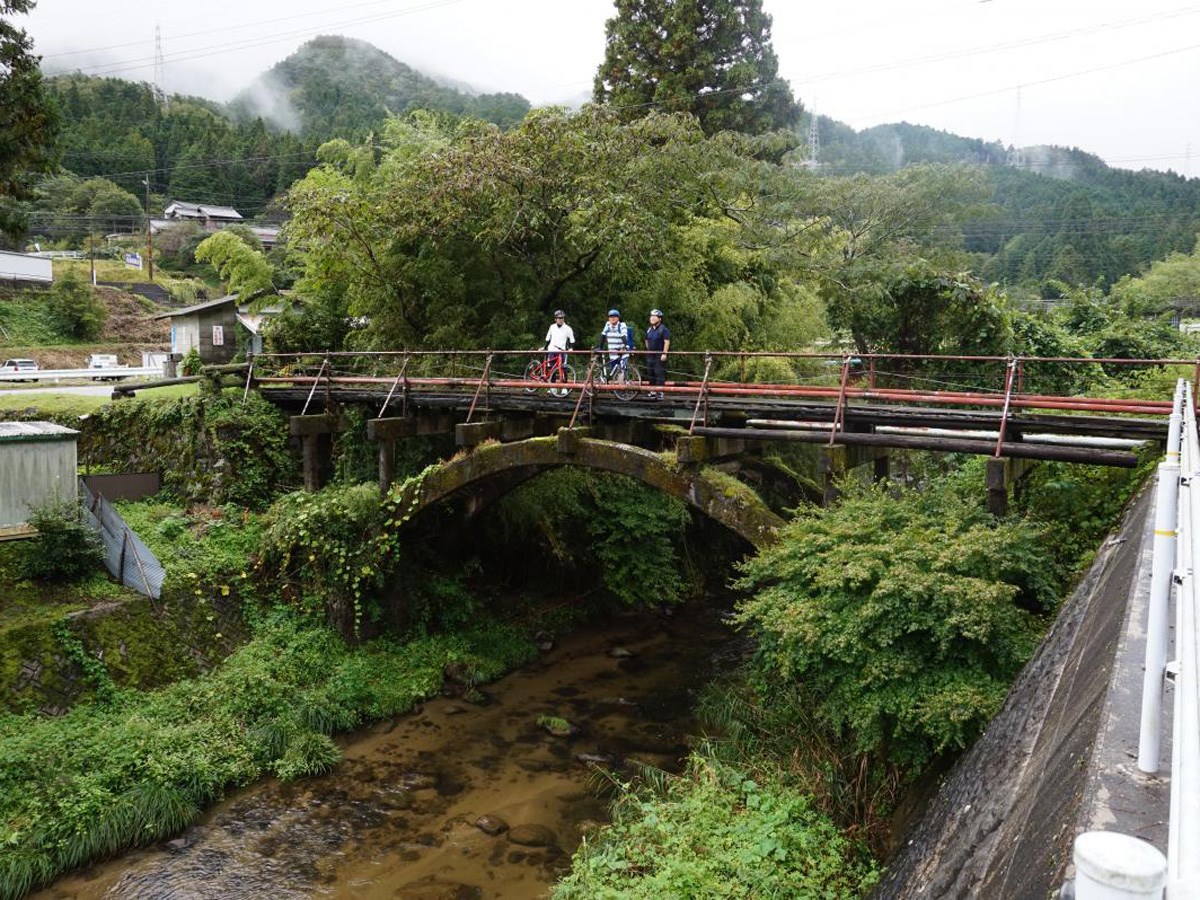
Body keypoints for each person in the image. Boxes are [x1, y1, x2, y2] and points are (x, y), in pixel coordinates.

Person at [596, 309, 634, 374]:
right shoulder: (607, 325)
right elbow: (603, 335)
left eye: (614, 316)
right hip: (612, 353)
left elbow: (624, 336)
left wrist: (626, 346)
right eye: (610, 317)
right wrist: (600, 347)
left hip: (622, 352)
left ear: (618, 318)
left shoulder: (622, 325)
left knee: (623, 370)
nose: (612, 318)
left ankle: (624, 382)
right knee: (613, 373)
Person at [644, 308, 671, 399]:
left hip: (659, 354)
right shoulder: (649, 329)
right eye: (651, 316)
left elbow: (667, 342)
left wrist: (664, 353)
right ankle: (652, 391)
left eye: (654, 317)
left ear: (659, 319)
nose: (652, 318)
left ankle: (660, 392)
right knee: (650, 372)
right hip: (650, 354)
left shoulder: (663, 329)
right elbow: (646, 340)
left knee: (658, 372)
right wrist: (648, 350)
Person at [543, 309, 575, 377]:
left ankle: (565, 386)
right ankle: (552, 385)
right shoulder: (552, 327)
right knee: (551, 367)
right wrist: (544, 347)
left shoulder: (568, 328)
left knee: (564, 367)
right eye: (559, 318)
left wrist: (571, 348)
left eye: (562, 318)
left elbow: (572, 339)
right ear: (555, 319)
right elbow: (548, 338)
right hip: (552, 349)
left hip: (562, 350)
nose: (561, 319)